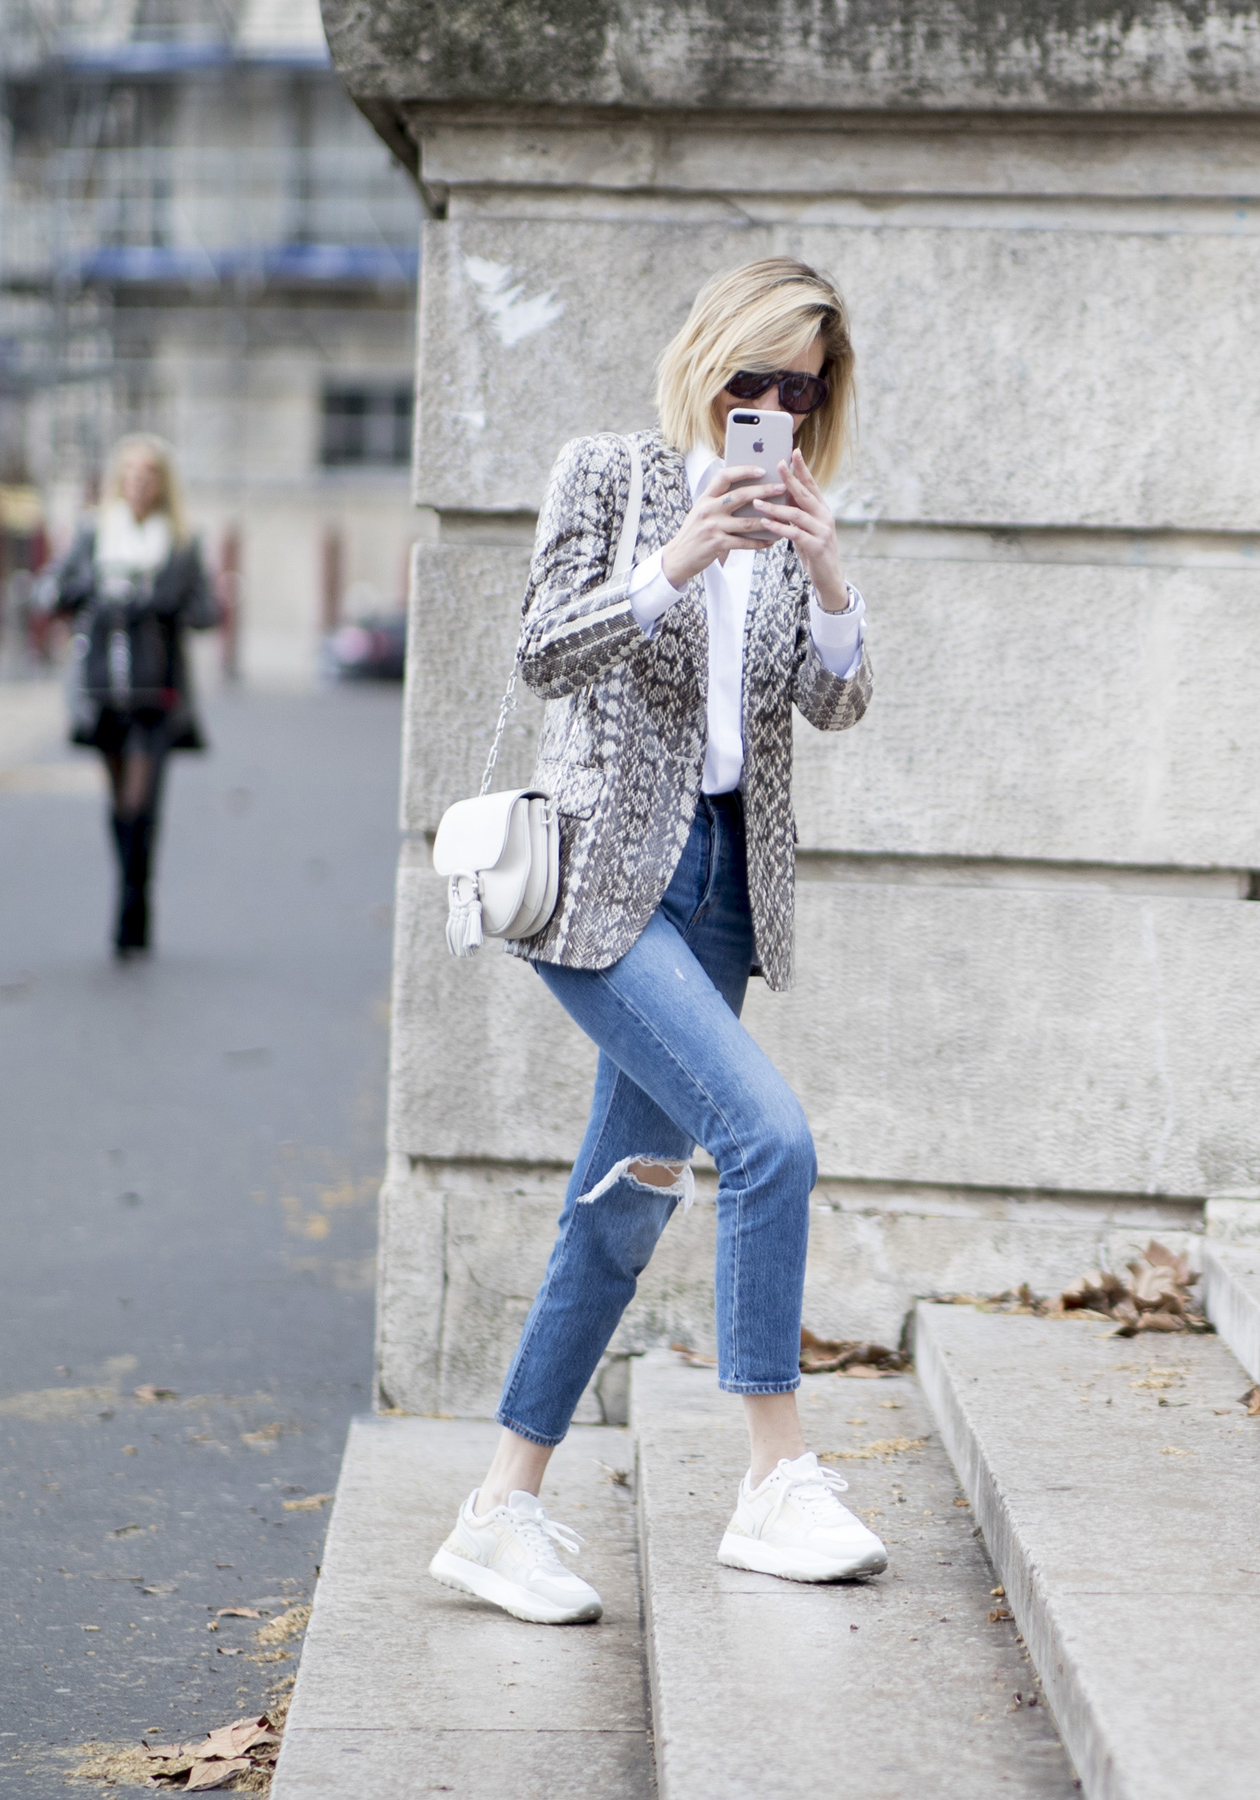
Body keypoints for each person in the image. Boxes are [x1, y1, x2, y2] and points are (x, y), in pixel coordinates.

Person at [428, 258, 884, 1626]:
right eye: (750, 378)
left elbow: (837, 704)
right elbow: (541, 650)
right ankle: (774, 1477)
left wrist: (824, 564)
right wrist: (679, 558)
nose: (769, 407)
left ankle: (502, 1509)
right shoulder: (613, 475)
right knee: (769, 1141)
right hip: (606, 883)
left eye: (796, 390)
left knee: (622, 1208)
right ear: (706, 362)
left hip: (726, 891)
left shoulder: (803, 512)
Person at [41, 434, 219, 959]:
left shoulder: (183, 543)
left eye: (151, 473)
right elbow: (54, 590)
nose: (140, 481)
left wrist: (168, 603)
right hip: (103, 689)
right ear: (120, 479)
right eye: (132, 472)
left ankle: (134, 901)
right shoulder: (95, 536)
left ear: (163, 484)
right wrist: (92, 590)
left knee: (143, 801)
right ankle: (131, 890)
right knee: (119, 802)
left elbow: (207, 611)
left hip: (158, 695)